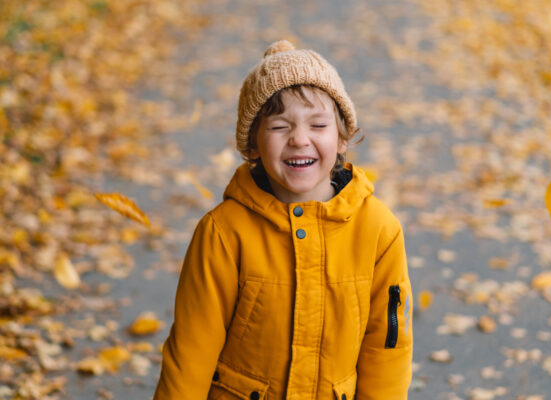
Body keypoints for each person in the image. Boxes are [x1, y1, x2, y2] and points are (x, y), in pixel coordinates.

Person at [153, 40, 413, 400]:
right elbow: (191, 351)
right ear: (253, 145)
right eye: (279, 127)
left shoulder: (378, 229)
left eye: (318, 125)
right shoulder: (224, 233)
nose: (299, 139)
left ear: (341, 138)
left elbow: (387, 346)